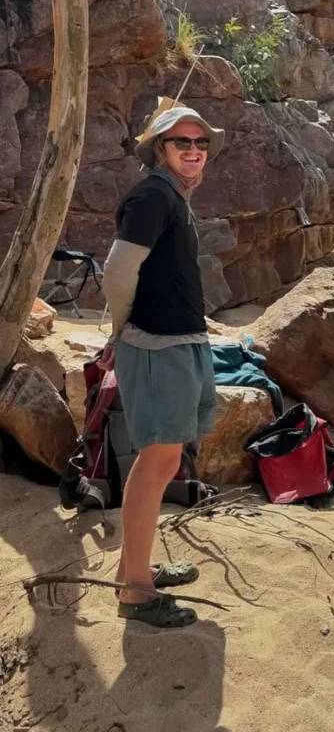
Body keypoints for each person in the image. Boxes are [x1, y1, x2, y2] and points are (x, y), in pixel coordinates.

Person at [99, 99, 224, 628]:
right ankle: (134, 591)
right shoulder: (153, 193)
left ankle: (137, 568)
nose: (194, 150)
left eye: (200, 143)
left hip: (178, 340)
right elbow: (118, 268)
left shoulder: (171, 193)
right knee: (156, 466)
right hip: (156, 346)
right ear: (160, 149)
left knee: (164, 463)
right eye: (182, 142)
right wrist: (121, 327)